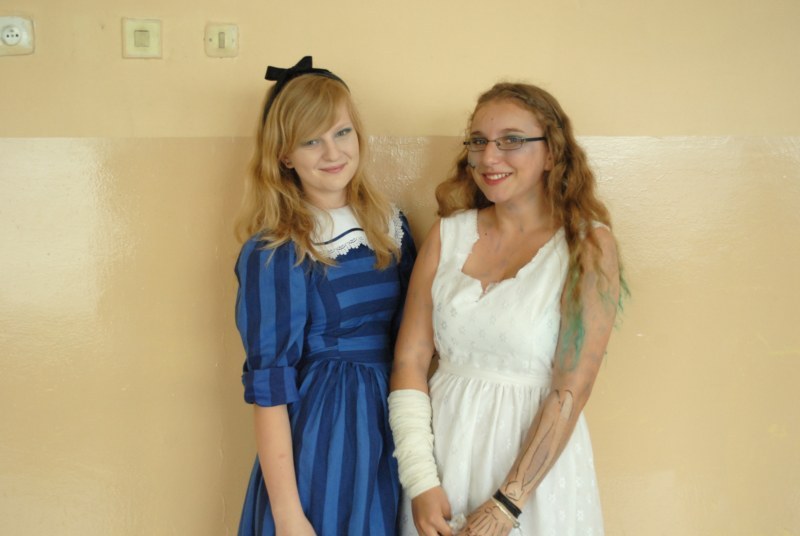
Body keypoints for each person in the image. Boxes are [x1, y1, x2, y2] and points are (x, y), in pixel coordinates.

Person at [389, 82, 625, 536]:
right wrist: (419, 479)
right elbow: (410, 361)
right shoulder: (448, 235)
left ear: (552, 153)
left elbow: (572, 388)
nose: (489, 157)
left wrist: (507, 503)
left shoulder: (587, 246)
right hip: (441, 460)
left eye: (511, 140)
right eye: (479, 141)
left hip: (534, 477)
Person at [234, 56, 416, 536]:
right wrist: (289, 517)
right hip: (323, 439)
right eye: (310, 140)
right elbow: (269, 392)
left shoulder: (391, 226)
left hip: (393, 426)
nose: (331, 152)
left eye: (341, 132)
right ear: (284, 155)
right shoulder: (277, 250)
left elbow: (416, 339)